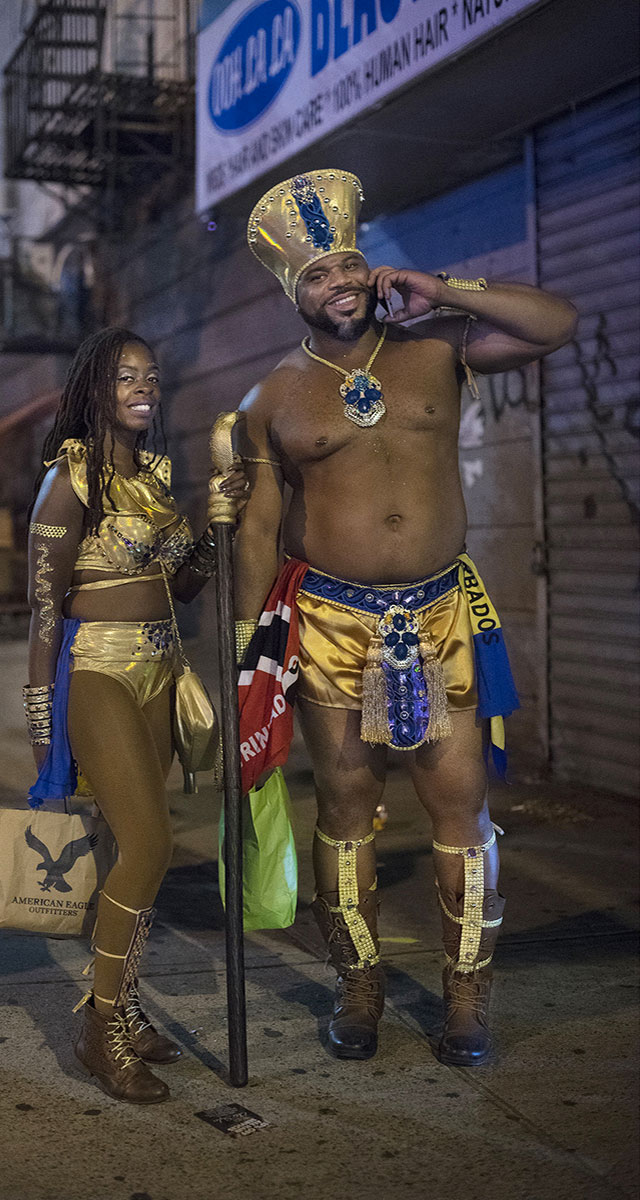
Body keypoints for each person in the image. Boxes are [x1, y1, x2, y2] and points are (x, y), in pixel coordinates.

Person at [233, 169, 577, 1066]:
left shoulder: (439, 348)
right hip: (328, 623)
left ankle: (467, 995)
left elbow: (556, 324)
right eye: (317, 275)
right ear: (293, 292)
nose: (339, 283)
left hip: (440, 615)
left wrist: (442, 286)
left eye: (348, 263)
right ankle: (360, 985)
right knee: (346, 807)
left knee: (460, 807)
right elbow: (258, 532)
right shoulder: (269, 401)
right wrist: (245, 657)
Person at [25, 327, 247, 1103]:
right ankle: (101, 1028)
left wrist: (217, 522)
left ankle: (120, 1003)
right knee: (150, 845)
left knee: (130, 847)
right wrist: (41, 729)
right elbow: (43, 615)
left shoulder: (151, 479)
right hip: (100, 674)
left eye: (150, 375)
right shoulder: (69, 481)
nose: (144, 387)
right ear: (96, 389)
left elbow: (183, 584)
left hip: (163, 670)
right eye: (125, 376)